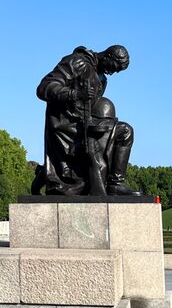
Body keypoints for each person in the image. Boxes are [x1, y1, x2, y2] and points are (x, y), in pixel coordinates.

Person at [35, 45, 140, 196]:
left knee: (125, 131)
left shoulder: (102, 78)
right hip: (66, 126)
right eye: (114, 67)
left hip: (87, 123)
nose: (113, 72)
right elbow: (44, 88)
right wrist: (75, 94)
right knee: (105, 139)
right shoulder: (78, 62)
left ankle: (115, 184)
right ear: (108, 56)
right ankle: (49, 174)